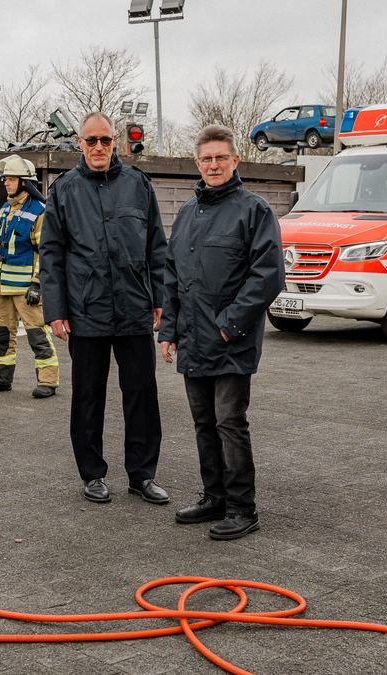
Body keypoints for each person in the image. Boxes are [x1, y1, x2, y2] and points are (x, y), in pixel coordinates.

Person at [158, 124, 285, 541]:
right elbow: (173, 277)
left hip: (231, 340)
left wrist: (230, 326)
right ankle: (213, 496)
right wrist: (169, 331)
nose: (213, 164)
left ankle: (242, 507)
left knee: (230, 422)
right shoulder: (187, 214)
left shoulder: (254, 210)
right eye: (206, 158)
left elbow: (267, 276)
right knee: (203, 422)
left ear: (235, 161)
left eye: (220, 157)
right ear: (197, 163)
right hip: (193, 339)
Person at [40, 111, 170, 506]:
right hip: (86, 312)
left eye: (106, 140)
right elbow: (52, 254)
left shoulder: (137, 185)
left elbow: (157, 248)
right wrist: (56, 310)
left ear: (117, 142)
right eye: (91, 140)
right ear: (79, 143)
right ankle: (93, 474)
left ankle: (142, 475)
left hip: (133, 308)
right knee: (87, 398)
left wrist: (161, 299)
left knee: (142, 396)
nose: (99, 147)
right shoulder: (64, 191)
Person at [0, 154, 60, 398]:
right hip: (3, 287)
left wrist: (37, 283)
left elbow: (45, 252)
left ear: (25, 182)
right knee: (1, 335)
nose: (6, 183)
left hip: (26, 289)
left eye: (11, 179)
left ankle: (48, 381)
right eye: (5, 179)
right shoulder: (5, 209)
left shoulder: (39, 212)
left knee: (37, 335)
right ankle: (1, 379)